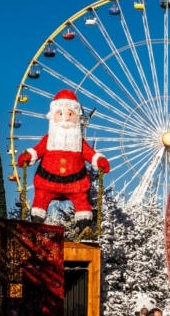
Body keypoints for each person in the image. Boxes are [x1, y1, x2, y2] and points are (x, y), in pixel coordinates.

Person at [15, 89, 110, 230]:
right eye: (61, 114)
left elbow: (90, 154)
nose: (65, 118)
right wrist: (28, 156)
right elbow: (37, 150)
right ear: (53, 116)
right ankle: (37, 222)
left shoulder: (80, 142)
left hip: (76, 184)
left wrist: (99, 160)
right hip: (47, 182)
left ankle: (84, 227)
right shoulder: (48, 140)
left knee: (82, 203)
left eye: (70, 114)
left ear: (77, 116)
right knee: (40, 201)